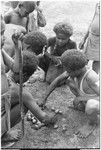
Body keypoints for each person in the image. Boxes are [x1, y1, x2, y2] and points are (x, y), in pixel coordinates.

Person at [1, 16, 58, 147]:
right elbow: (43, 118)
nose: (4, 37)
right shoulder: (20, 91)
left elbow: (16, 67)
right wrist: (54, 119)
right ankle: (2, 135)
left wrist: (17, 46)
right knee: (25, 104)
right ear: (25, 75)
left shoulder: (4, 67)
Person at [39, 49, 99, 138]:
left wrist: (81, 98)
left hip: (97, 102)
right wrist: (43, 98)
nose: (67, 72)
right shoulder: (73, 72)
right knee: (69, 81)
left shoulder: (91, 77)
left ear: (78, 69)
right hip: (86, 97)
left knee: (91, 105)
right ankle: (83, 106)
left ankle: (92, 124)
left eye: (68, 71)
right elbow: (57, 81)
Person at [79, 3, 100, 74]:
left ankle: (94, 79)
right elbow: (92, 22)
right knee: (84, 59)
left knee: (97, 60)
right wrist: (84, 39)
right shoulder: (98, 5)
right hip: (91, 37)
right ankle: (79, 76)